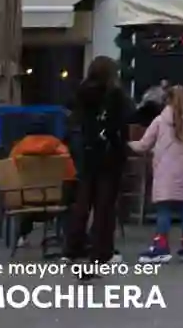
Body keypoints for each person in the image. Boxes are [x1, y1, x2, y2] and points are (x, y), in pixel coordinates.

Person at [132, 86, 183, 263]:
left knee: (164, 209)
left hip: (164, 173)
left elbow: (144, 144)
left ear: (166, 101)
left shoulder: (160, 121)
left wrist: (128, 144)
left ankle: (161, 246)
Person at [63, 56, 130, 262]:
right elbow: (122, 123)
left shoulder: (81, 94)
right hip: (109, 154)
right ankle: (102, 251)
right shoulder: (115, 95)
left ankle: (73, 247)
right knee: (105, 205)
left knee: (83, 202)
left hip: (86, 152)